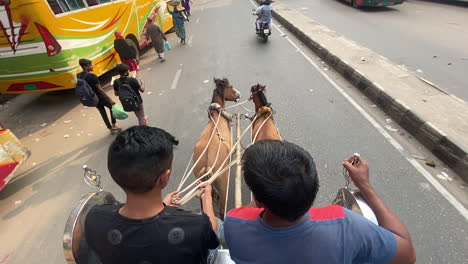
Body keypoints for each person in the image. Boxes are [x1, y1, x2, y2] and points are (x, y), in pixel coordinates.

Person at [225, 140, 416, 264]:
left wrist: (262, 198)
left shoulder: (235, 224)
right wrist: (364, 185)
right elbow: (408, 255)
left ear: (258, 200)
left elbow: (249, 213)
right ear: (313, 185)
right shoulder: (343, 223)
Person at [85, 126, 220, 264]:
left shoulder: (95, 217)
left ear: (113, 174)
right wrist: (207, 198)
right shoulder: (196, 225)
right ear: (165, 178)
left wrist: (164, 206)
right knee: (219, 225)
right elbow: (211, 232)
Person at [78, 59, 121, 135]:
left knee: (102, 112)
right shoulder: (93, 76)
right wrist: (109, 98)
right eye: (90, 65)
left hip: (92, 98)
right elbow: (100, 89)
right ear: (85, 66)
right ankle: (114, 125)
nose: (92, 66)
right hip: (100, 97)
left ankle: (110, 128)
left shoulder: (79, 75)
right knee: (112, 107)